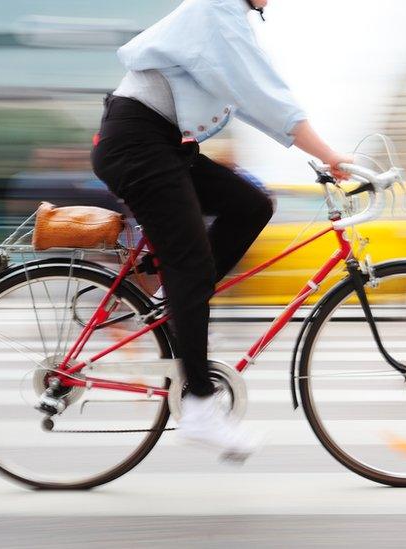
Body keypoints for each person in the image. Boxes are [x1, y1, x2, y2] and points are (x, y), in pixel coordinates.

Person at [90, 0, 350, 460]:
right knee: (190, 265)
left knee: (251, 205)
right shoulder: (216, 10)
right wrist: (330, 155)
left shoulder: (228, 20)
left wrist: (312, 153)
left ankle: (177, 302)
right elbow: (264, 94)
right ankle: (199, 407)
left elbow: (250, 98)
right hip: (139, 143)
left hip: (162, 145)